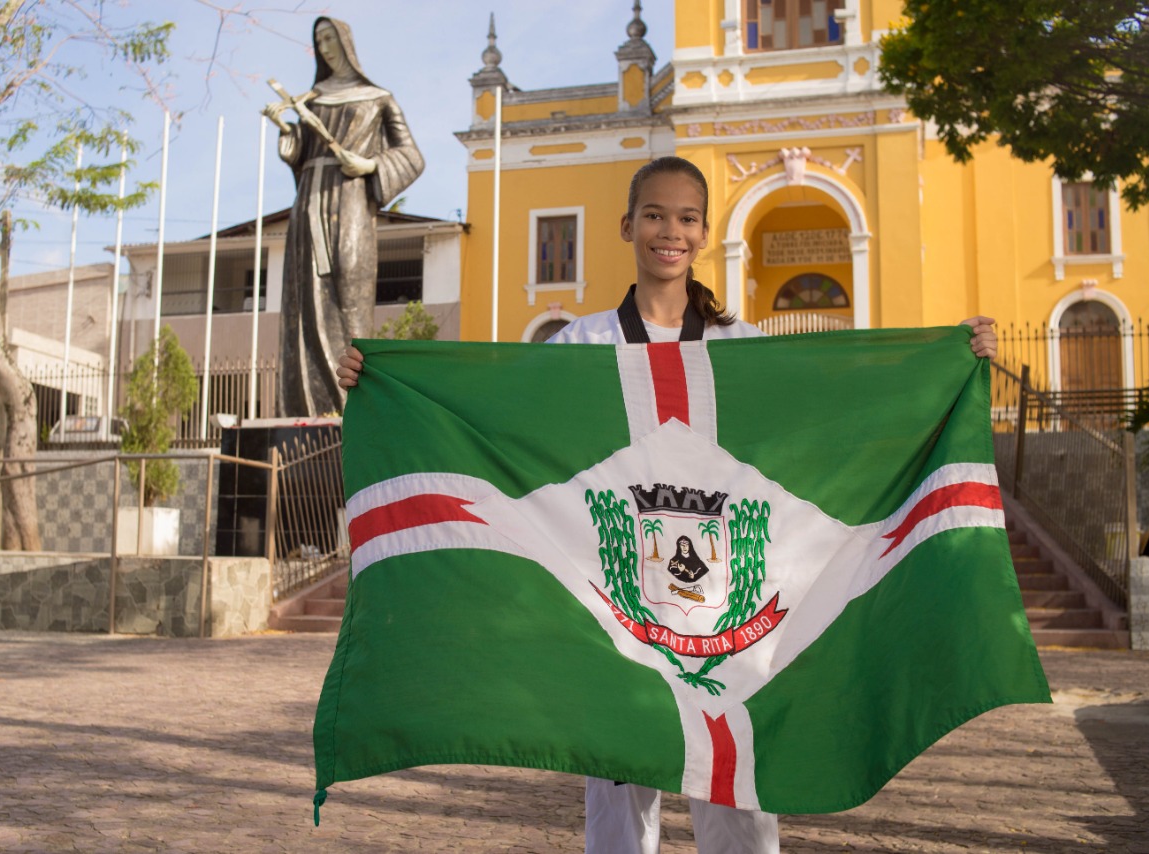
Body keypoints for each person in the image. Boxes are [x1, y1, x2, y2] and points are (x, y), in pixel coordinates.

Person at [335, 155, 998, 853]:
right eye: (654, 215)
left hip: (728, 613)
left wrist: (952, 357)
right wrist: (380, 381)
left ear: (705, 233)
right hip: (611, 613)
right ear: (628, 225)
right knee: (619, 793)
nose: (668, 231)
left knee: (738, 789)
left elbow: (833, 417)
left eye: (685, 218)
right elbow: (499, 421)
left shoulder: (738, 349)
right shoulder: (582, 346)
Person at [266, 16, 424, 417]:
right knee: (305, 300)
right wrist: (287, 135)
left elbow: (412, 155)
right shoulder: (311, 99)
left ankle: (350, 405)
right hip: (309, 204)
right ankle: (303, 406)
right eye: (319, 41)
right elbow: (301, 155)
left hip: (352, 202)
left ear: (345, 42)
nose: (325, 47)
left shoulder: (377, 97)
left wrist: (369, 165)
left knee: (349, 297)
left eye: (330, 38)